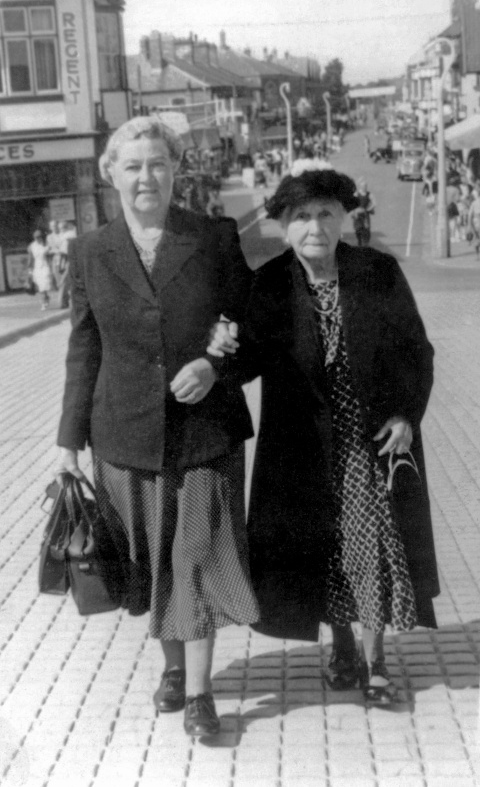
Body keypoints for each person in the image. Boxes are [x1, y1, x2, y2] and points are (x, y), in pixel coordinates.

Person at [56, 116, 259, 737]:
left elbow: (249, 323)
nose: (147, 177)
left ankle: (198, 693)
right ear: (111, 173)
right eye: (134, 166)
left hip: (203, 433)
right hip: (123, 436)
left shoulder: (213, 237)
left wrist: (214, 365)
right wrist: (68, 442)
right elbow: (84, 348)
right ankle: (173, 668)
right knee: (151, 562)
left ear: (176, 170)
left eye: (158, 164)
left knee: (194, 556)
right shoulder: (90, 251)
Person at [209, 166, 439, 706]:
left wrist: (406, 414)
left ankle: (376, 664)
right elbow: (246, 368)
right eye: (301, 216)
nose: (315, 226)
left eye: (326, 214)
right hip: (300, 451)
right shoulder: (268, 285)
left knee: (371, 549)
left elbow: (416, 351)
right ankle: (340, 646)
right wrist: (220, 346)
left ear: (344, 219)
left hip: (368, 442)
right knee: (325, 549)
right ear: (284, 226)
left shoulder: (377, 272)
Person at [27, 229, 53, 310]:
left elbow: (50, 257)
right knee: (40, 286)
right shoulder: (31, 246)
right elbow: (30, 258)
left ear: (42, 237)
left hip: (45, 266)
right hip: (37, 267)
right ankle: (44, 301)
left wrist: (51, 267)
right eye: (36, 237)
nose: (38, 239)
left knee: (45, 284)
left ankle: (45, 298)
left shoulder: (47, 245)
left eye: (39, 237)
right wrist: (29, 269)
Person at [351, 178, 376, 246]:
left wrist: (369, 209)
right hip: (357, 216)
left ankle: (365, 246)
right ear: (360, 186)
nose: (365, 187)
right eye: (363, 186)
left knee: (366, 231)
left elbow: (374, 203)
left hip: (365, 216)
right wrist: (354, 212)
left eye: (366, 186)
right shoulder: (357, 194)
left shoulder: (369, 194)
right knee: (358, 231)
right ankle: (360, 244)